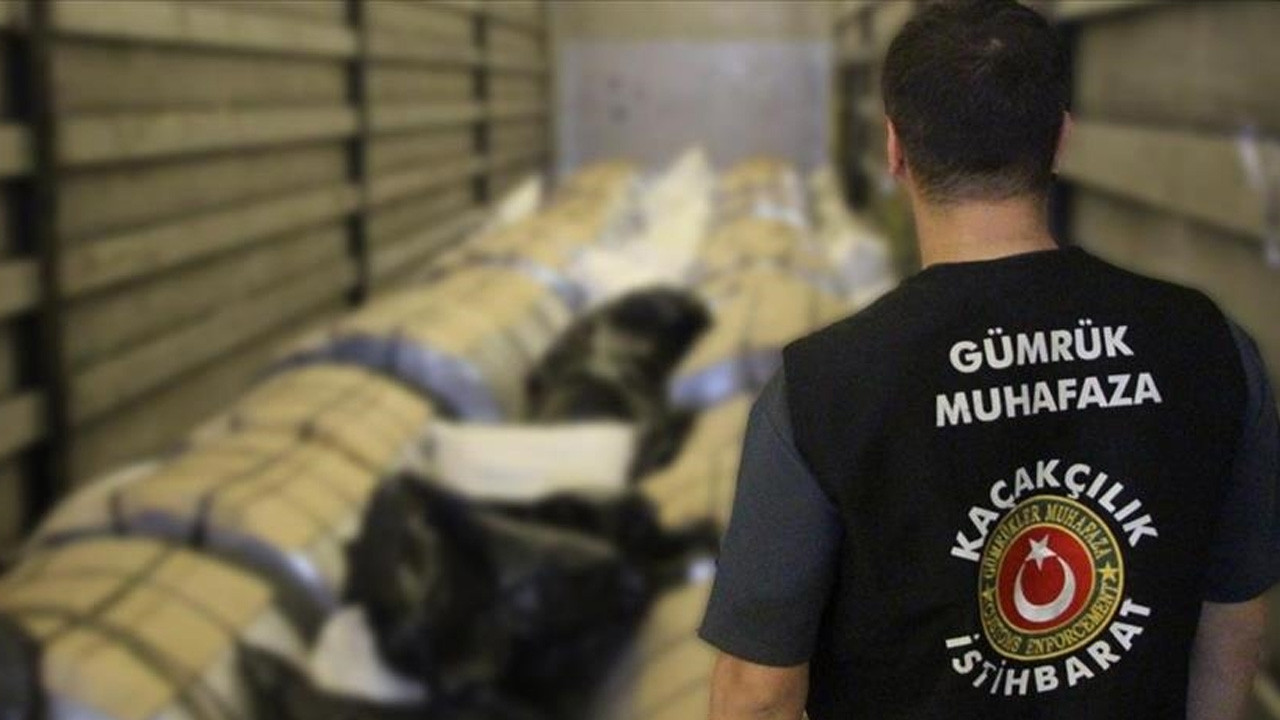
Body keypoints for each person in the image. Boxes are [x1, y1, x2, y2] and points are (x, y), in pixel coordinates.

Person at [698, 1, 1280, 718]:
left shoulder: (822, 390)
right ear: (1061, 140)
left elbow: (757, 694)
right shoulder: (1210, 347)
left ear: (894, 149)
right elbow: (1233, 623)